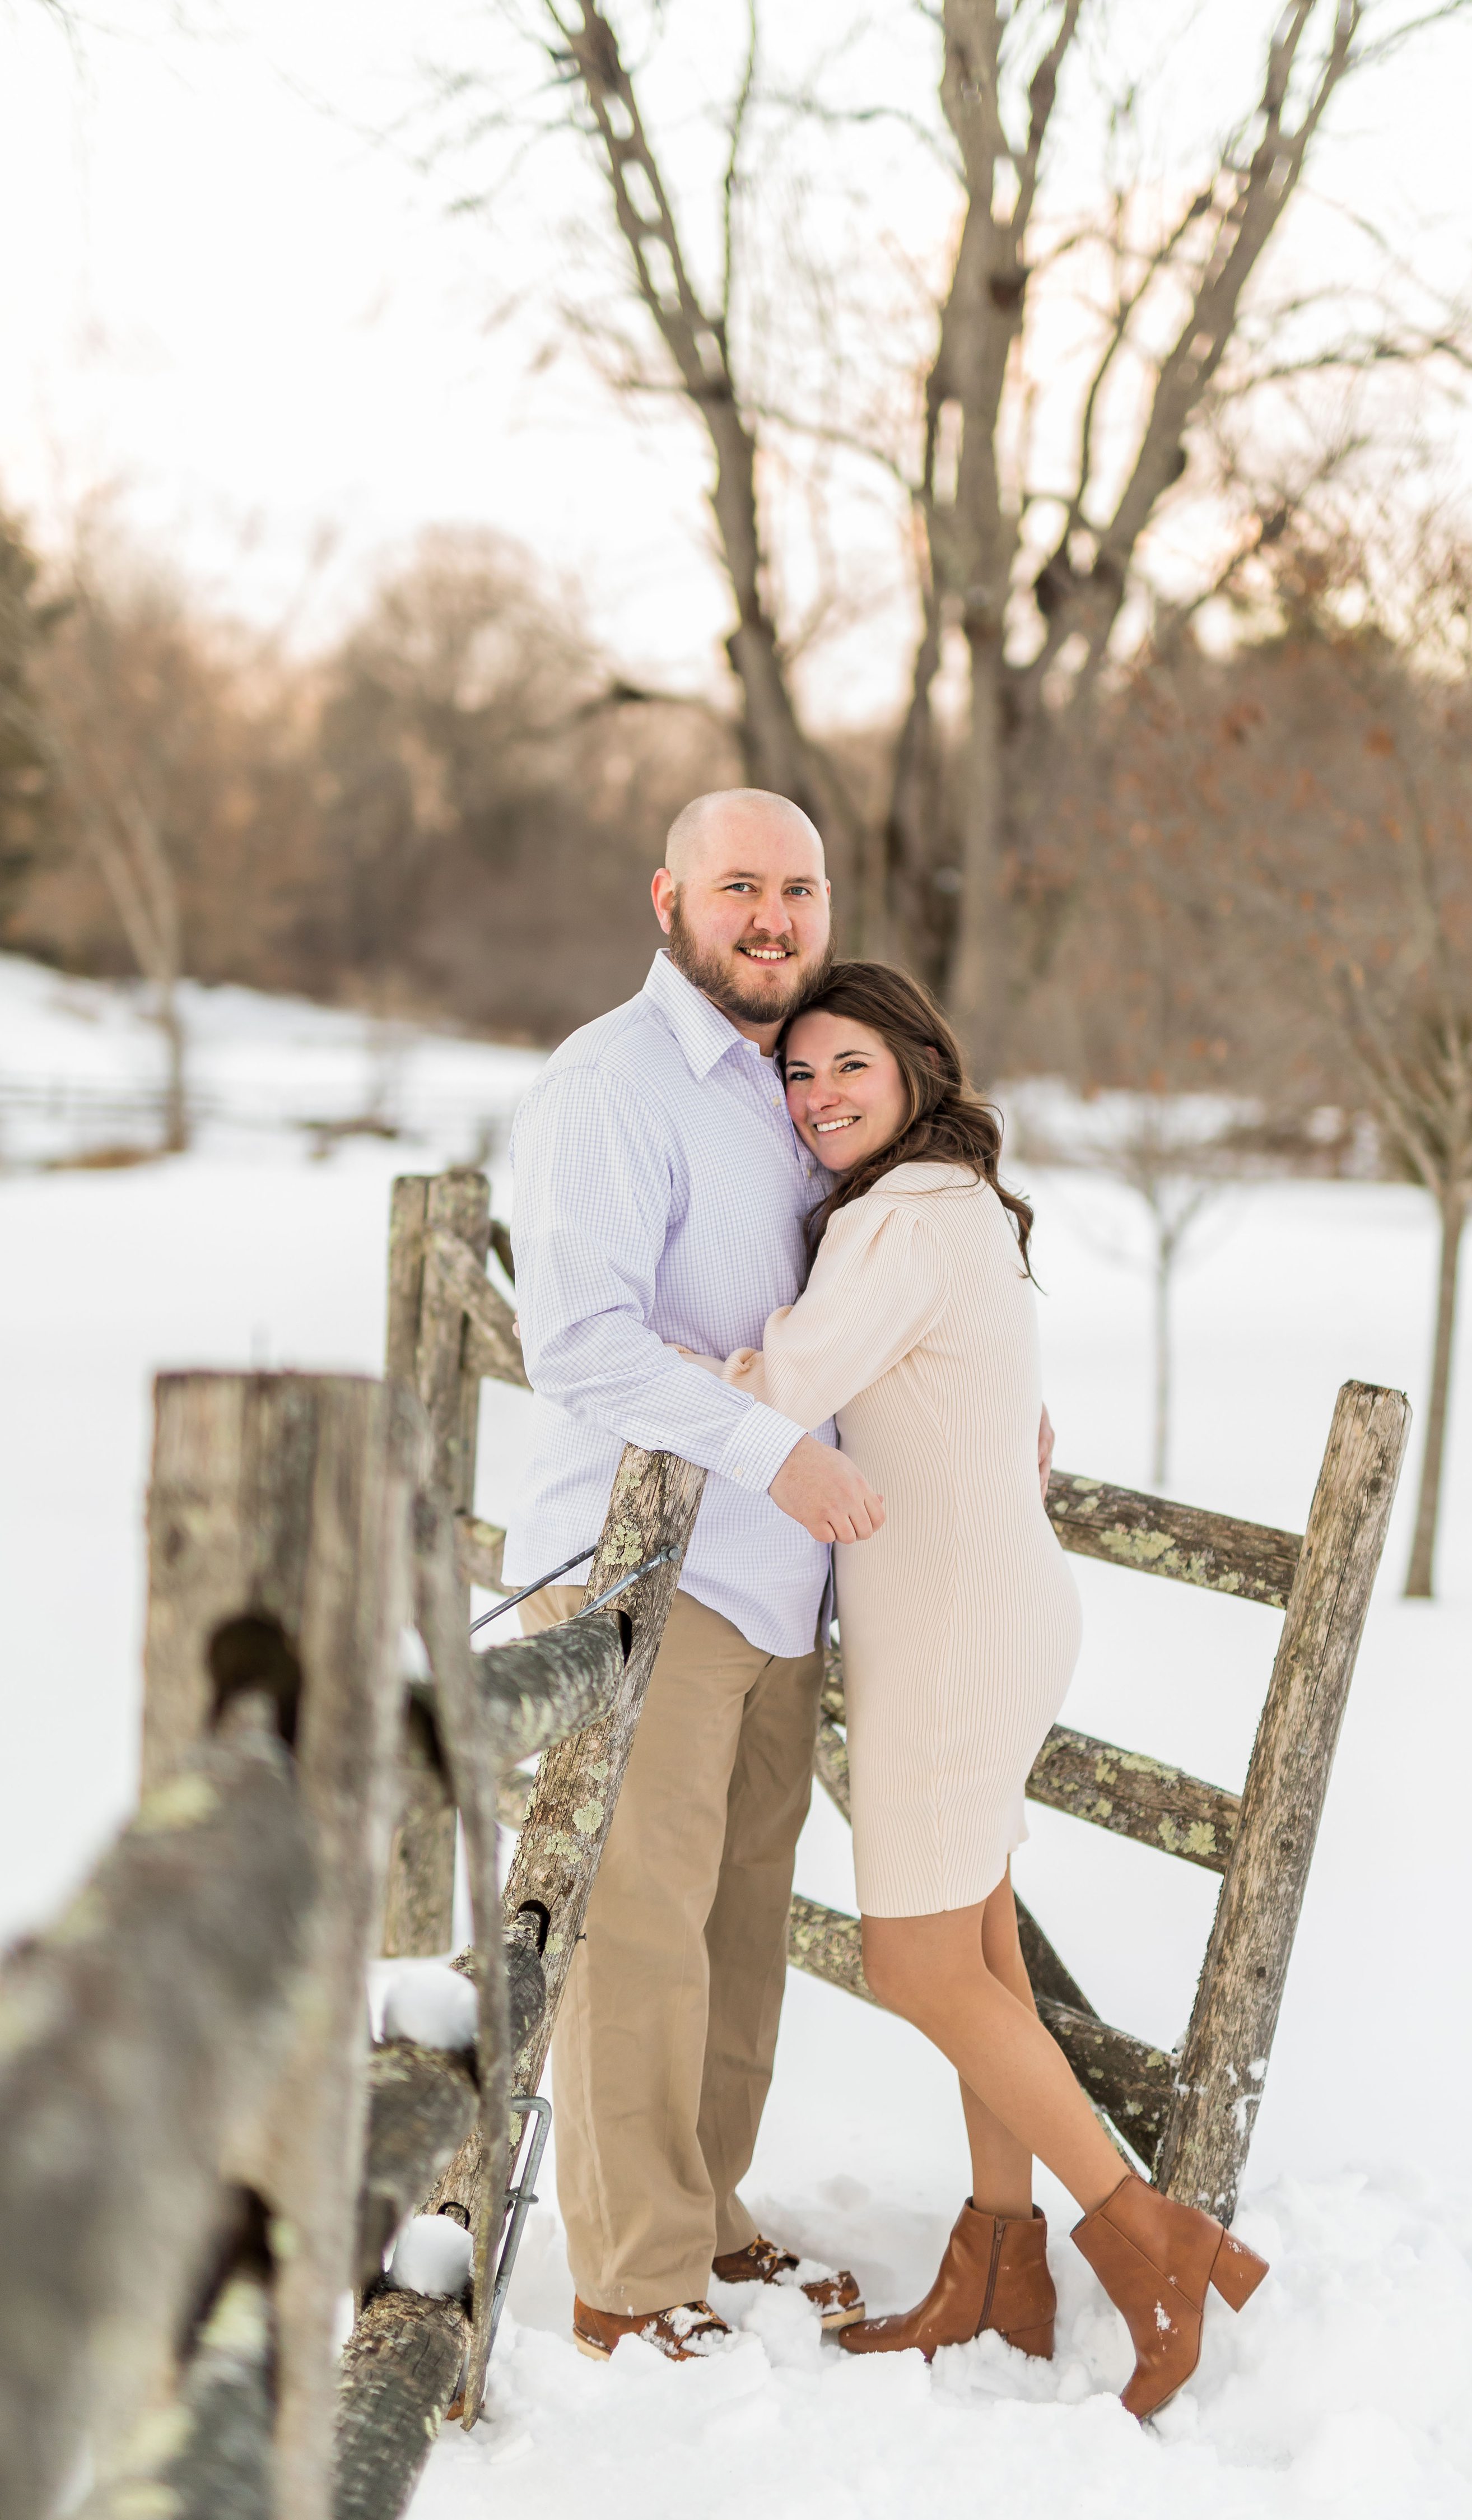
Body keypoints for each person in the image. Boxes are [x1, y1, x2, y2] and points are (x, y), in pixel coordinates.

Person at [677, 962, 1270, 2418]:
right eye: (799, 1077)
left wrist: (673, 1358)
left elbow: (777, 1383)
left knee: (920, 1965)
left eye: (847, 1068)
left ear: (917, 1067)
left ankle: (1148, 2242)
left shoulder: (895, 1222)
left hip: (948, 1630)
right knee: (982, 1943)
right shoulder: (956, 1210)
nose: (818, 1097)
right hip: (990, 1611)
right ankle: (998, 2265)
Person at [503, 788, 886, 2363]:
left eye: (799, 889)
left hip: (780, 1582)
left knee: (738, 1925)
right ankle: (632, 2272)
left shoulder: (802, 1082)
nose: (775, 917)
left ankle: (711, 2213)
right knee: (639, 1928)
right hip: (643, 1569)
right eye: (742, 886)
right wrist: (768, 1442)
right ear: (671, 896)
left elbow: (825, 1310)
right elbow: (578, 1342)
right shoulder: (611, 1083)